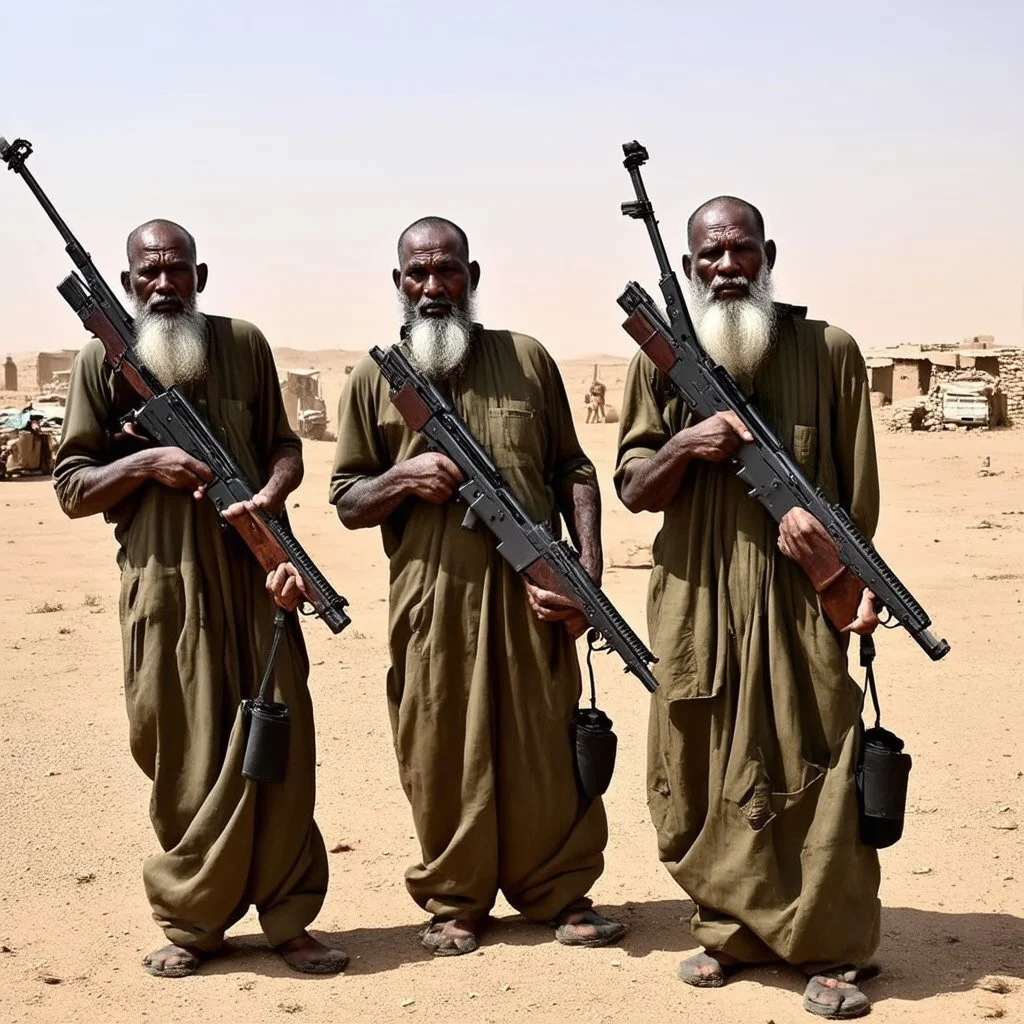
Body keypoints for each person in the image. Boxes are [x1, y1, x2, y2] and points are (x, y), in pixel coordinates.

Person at [323, 216, 625, 956]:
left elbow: (573, 470)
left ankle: (560, 893)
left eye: (447, 270)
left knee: (544, 747)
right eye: (418, 273)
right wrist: (403, 477)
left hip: (533, 600)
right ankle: (456, 900)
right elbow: (348, 499)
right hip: (433, 605)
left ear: (472, 276)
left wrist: (586, 571)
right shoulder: (373, 379)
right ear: (399, 284)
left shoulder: (526, 359)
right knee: (439, 748)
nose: (434, 286)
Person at [52, 219, 347, 979]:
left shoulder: (243, 343)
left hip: (259, 582)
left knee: (280, 745)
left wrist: (271, 497)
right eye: (148, 273)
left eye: (176, 270)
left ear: (200, 276)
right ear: (128, 284)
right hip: (166, 585)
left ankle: (288, 919)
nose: (163, 284)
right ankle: (195, 921)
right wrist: (147, 462)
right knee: (182, 751)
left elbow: (285, 447)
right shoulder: (98, 362)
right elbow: (72, 486)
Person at [614, 196, 882, 1019]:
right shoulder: (658, 364)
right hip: (696, 600)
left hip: (799, 601)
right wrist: (686, 444)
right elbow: (633, 487)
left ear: (769, 255)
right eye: (711, 255)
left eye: (742, 251)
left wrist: (840, 579)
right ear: (689, 266)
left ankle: (830, 946)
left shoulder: (829, 351)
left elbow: (858, 496)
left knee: (817, 761)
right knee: (700, 761)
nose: (727, 267)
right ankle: (730, 930)